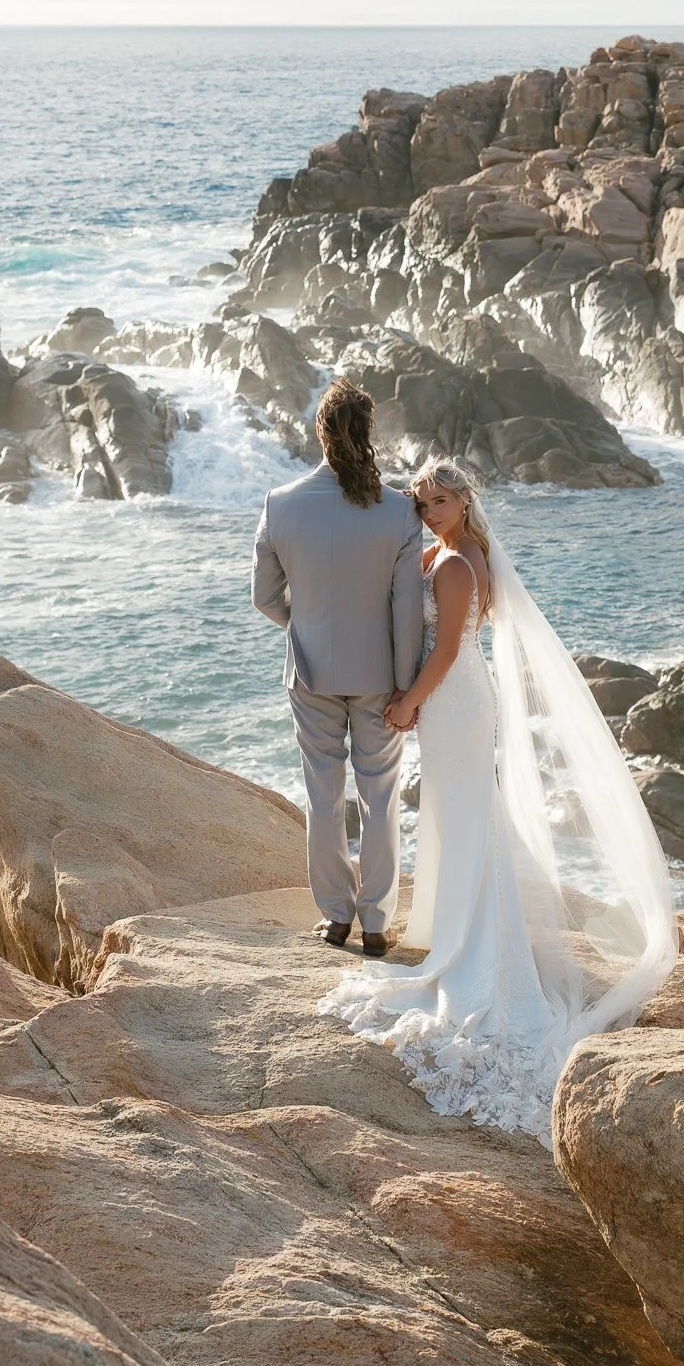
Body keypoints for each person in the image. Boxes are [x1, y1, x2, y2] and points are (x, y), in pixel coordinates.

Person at [319, 458, 676, 1146]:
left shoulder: (454, 566)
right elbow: (408, 560)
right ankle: (458, 932)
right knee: (459, 821)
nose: (427, 509)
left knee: (464, 820)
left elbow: (448, 646)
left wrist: (405, 701)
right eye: (420, 500)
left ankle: (470, 953)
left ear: (464, 501)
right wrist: (404, 506)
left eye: (440, 500)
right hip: (453, 698)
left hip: (452, 698)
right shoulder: (455, 548)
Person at [251, 379, 423, 954]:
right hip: (381, 679)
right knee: (381, 797)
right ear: (368, 433)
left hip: (310, 671)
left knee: (323, 796)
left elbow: (265, 599)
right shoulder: (400, 511)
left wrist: (305, 628)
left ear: (319, 433)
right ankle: (376, 922)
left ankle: (334, 917)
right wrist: (406, 687)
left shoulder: (280, 503)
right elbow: (405, 610)